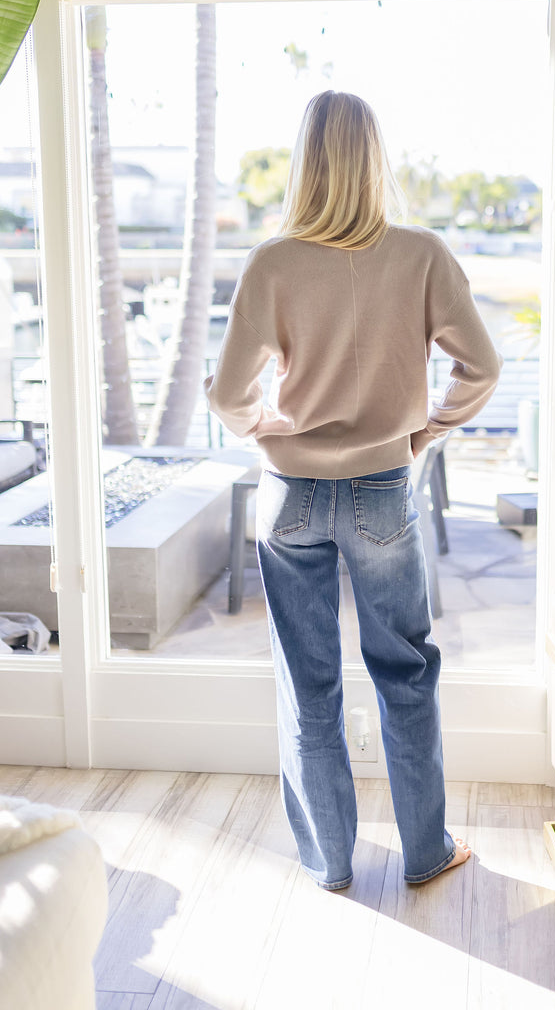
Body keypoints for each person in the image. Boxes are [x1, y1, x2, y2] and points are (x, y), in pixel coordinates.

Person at [204, 90, 501, 890]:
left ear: (306, 162)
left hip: (289, 495)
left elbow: (228, 396)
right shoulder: (423, 254)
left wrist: (265, 428)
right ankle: (426, 852)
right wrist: (425, 431)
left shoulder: (272, 262)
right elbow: (483, 367)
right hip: (380, 489)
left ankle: (330, 863)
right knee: (404, 672)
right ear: (375, 160)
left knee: (309, 685)